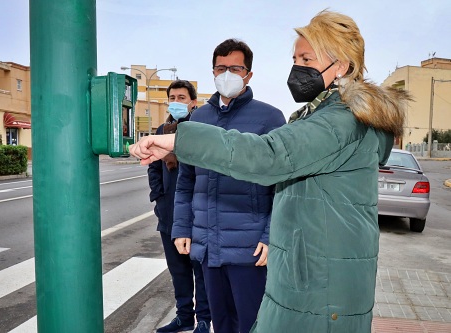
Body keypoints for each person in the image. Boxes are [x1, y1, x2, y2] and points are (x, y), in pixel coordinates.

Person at [129, 10, 410, 333]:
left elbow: (269, 156)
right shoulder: (324, 115)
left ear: (342, 65)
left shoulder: (339, 121)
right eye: (295, 58)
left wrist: (180, 139)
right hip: (310, 272)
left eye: (307, 58)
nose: (297, 67)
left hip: (322, 285)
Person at [171, 38, 286, 333]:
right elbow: (186, 182)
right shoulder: (199, 119)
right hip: (209, 246)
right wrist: (182, 227)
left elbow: (283, 186)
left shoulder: (269, 118)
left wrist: (272, 234)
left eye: (235, 68)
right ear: (212, 71)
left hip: (250, 248)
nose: (227, 74)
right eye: (221, 68)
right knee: (221, 323)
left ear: (248, 74)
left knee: (253, 323)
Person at [148, 80, 211, 333]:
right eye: (172, 97)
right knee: (178, 271)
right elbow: (154, 168)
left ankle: (204, 319)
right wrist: (159, 199)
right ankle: (184, 317)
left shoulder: (201, 130)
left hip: (196, 215)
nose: (176, 101)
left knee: (200, 270)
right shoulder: (162, 130)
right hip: (169, 215)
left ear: (193, 102)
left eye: (182, 97)